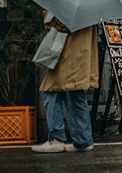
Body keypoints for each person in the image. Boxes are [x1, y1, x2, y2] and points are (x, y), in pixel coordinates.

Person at [31, 11, 99, 153]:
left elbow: (64, 24)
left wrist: (48, 16)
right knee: (75, 94)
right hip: (81, 54)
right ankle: (83, 140)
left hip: (68, 54)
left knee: (51, 91)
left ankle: (56, 139)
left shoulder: (72, 3)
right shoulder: (91, 4)